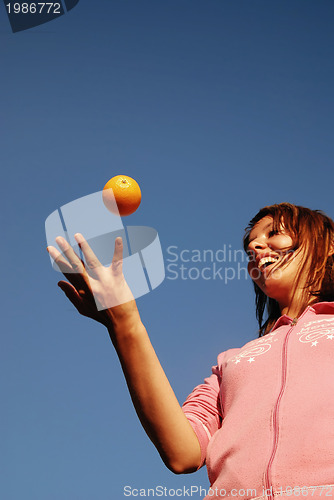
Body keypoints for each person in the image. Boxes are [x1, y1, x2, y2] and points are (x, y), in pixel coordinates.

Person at [47, 202, 334, 500]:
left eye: (274, 233)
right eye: (250, 248)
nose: (257, 246)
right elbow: (183, 452)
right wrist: (125, 325)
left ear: (327, 247)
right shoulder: (233, 362)